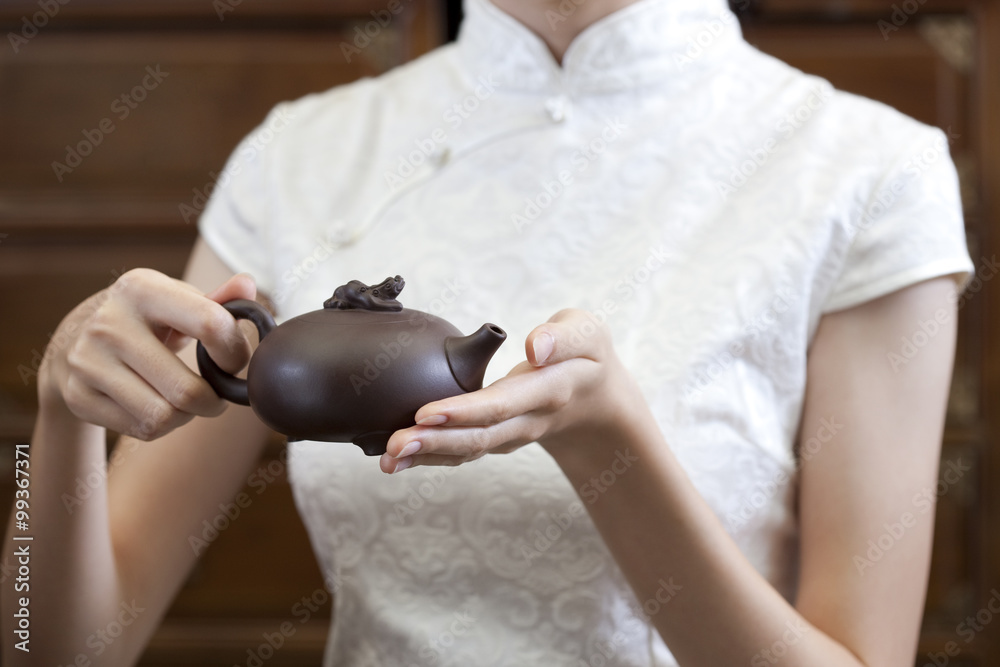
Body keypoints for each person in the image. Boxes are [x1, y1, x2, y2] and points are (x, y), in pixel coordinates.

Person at [3, 0, 976, 664]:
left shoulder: (867, 172)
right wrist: (56, 421)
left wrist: (610, 445)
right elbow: (43, 643)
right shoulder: (299, 156)